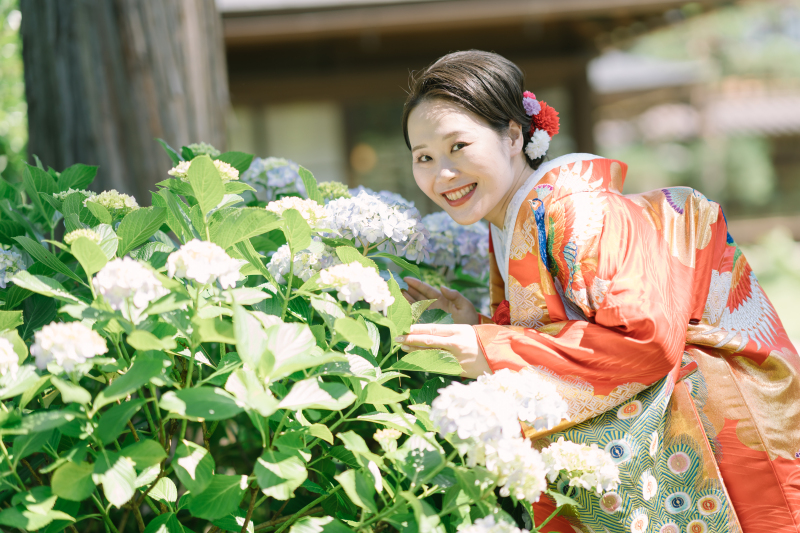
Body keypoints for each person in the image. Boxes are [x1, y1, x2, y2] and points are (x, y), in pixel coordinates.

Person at [397, 50, 800, 533]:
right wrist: (478, 326)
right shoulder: (509, 217)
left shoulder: (576, 207)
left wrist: (488, 348)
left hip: (715, 426)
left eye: (458, 146)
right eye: (424, 157)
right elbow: (565, 331)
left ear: (511, 135)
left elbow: (644, 338)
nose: (442, 173)